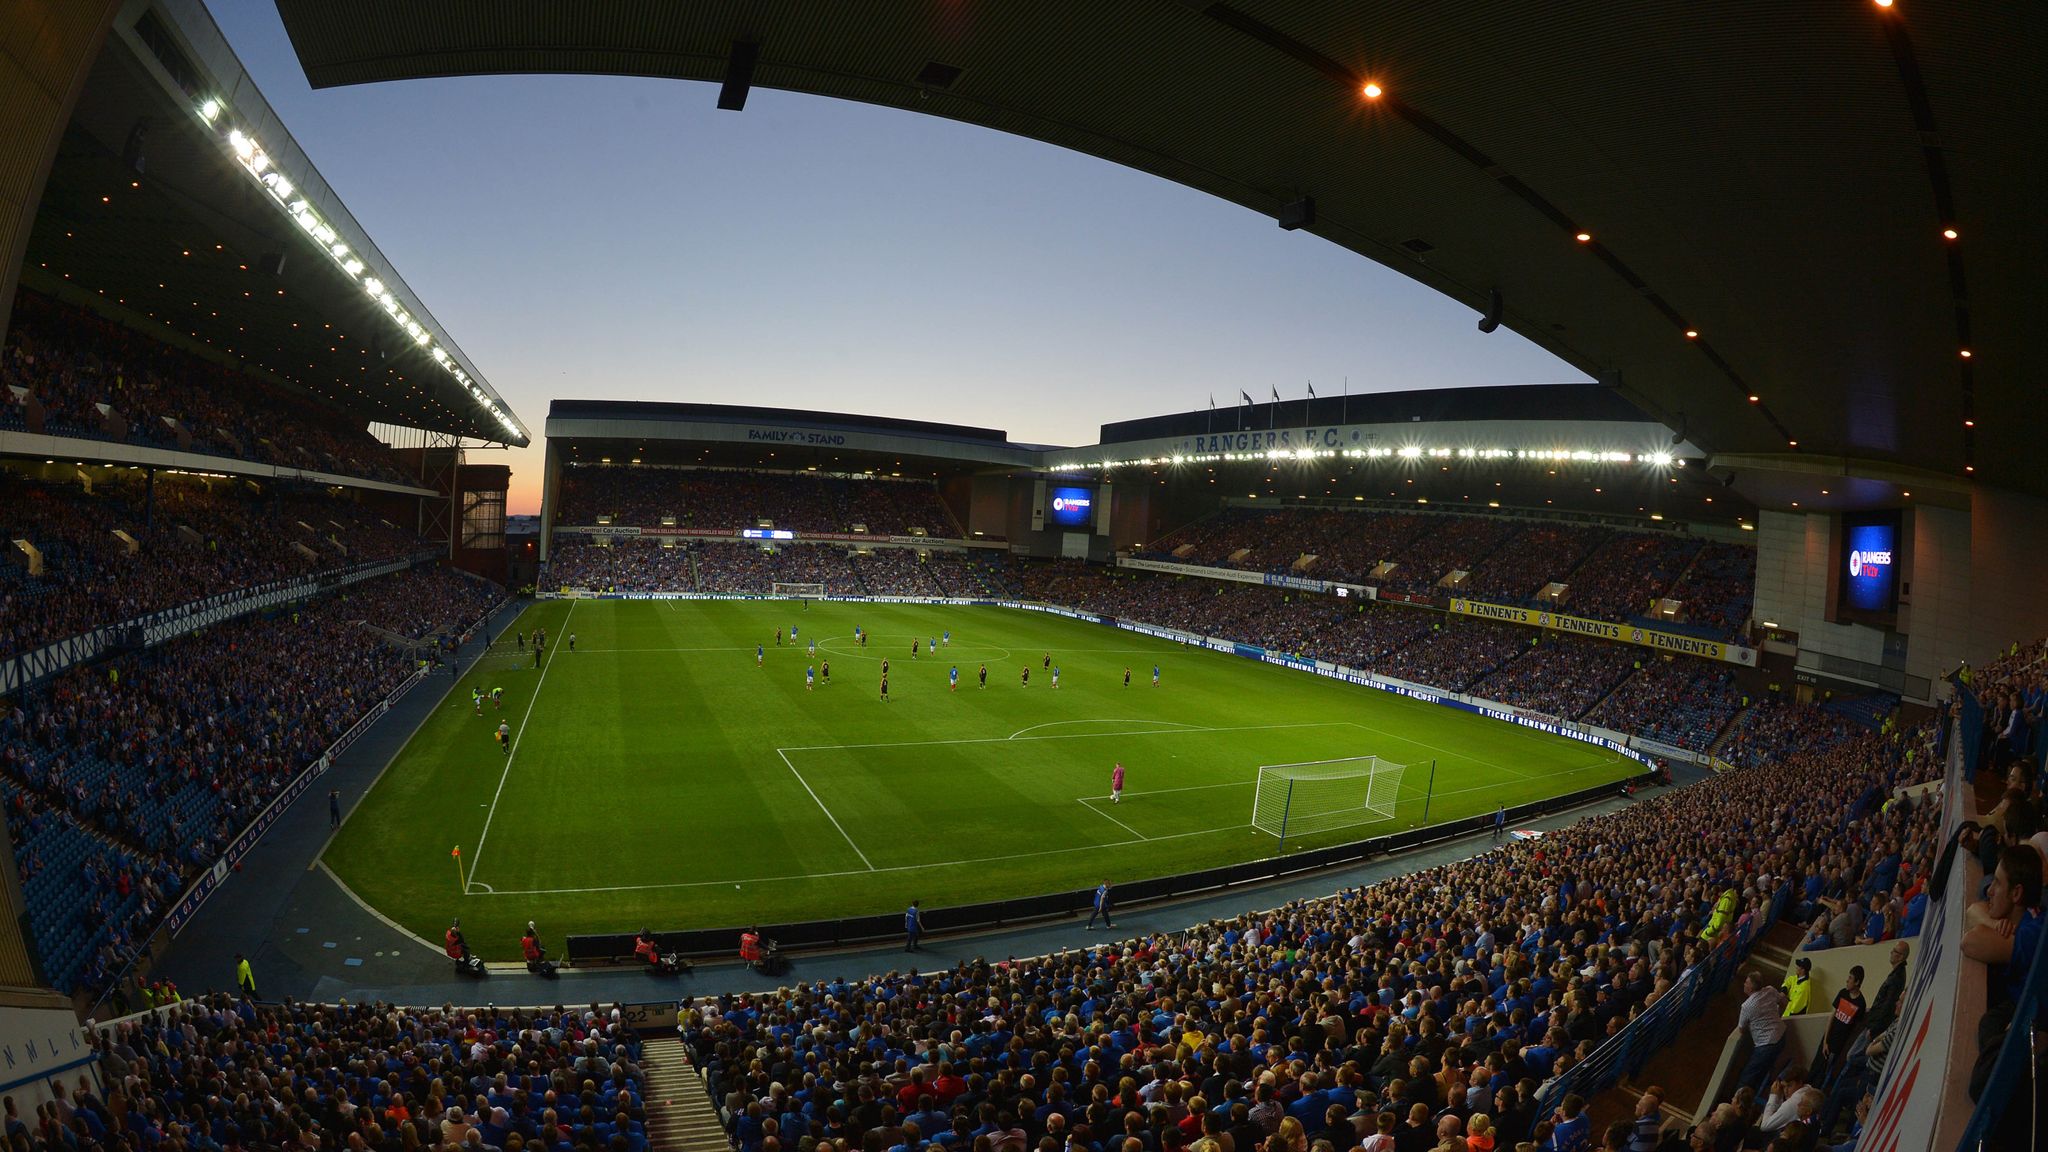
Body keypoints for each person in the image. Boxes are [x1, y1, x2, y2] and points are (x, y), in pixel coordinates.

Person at [1734, 970, 1789, 1091]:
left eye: (1746, 982)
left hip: (1766, 1044)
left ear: (1751, 987)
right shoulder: (1770, 990)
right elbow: (1783, 1002)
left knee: (1747, 1077)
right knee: (1761, 1073)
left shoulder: (1747, 1006)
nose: (1744, 984)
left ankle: (1738, 1102)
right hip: (1781, 1036)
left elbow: (1742, 1028)